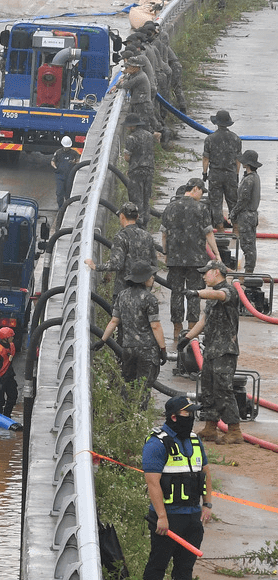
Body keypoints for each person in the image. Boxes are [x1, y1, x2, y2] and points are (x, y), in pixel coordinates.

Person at [141, 395, 213, 580]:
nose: (191, 418)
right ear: (174, 417)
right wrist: (162, 517)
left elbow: (204, 474)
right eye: (187, 413)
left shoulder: (195, 441)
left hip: (192, 516)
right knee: (157, 566)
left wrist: (207, 504)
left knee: (185, 569)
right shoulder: (156, 443)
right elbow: (153, 483)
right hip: (169, 517)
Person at [184, 261, 244, 443]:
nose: (203, 276)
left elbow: (219, 295)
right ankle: (210, 427)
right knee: (208, 388)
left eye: (206, 273)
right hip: (211, 350)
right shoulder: (211, 298)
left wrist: (197, 293)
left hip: (225, 351)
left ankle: (234, 430)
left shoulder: (228, 291)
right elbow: (204, 320)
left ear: (216, 272)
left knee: (223, 389)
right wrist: (187, 338)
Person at [163, 180, 219, 377]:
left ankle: (177, 330)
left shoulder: (170, 207)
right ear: (195, 189)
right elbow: (209, 234)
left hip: (175, 260)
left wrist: (166, 252)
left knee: (176, 294)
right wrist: (217, 255)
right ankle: (191, 330)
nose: (202, 195)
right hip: (196, 259)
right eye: (201, 191)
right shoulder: (201, 208)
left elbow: (164, 234)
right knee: (194, 294)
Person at [101, 261, 166, 405]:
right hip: (147, 350)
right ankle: (138, 418)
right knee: (143, 388)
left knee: (128, 385)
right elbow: (155, 326)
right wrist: (163, 349)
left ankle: (126, 414)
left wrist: (102, 340)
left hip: (128, 349)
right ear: (144, 279)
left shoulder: (122, 295)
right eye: (151, 276)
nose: (153, 278)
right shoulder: (150, 299)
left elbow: (114, 321)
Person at [85, 203, 157, 283]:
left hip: (124, 286)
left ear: (122, 216)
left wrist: (96, 266)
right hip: (144, 285)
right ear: (137, 217)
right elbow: (153, 263)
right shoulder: (147, 236)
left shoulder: (121, 237)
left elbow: (116, 264)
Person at [202, 110, 241, 228]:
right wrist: (237, 174)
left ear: (216, 123)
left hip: (215, 175)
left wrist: (204, 173)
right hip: (231, 175)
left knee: (216, 204)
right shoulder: (236, 139)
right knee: (233, 203)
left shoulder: (210, 139)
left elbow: (205, 159)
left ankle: (220, 230)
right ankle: (236, 230)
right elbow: (238, 160)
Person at [233, 150, 261, 273]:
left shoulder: (249, 179)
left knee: (247, 245)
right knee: (249, 245)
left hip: (246, 216)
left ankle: (248, 272)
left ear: (247, 164)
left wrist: (233, 212)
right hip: (251, 216)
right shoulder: (253, 177)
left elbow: (243, 199)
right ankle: (249, 271)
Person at [125, 117, 156, 219]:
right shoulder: (149, 136)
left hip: (136, 171)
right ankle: (146, 219)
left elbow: (127, 157)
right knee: (146, 197)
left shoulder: (131, 138)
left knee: (136, 198)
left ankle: (138, 220)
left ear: (133, 126)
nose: (128, 127)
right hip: (149, 170)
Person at [0, 326, 17, 417]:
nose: (13, 338)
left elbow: (10, 359)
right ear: (5, 338)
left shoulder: (11, 346)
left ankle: (7, 415)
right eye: (11, 336)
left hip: (9, 376)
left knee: (13, 397)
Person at [51, 136, 81, 209]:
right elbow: (52, 161)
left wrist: (75, 162)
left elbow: (78, 160)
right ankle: (60, 208)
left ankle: (68, 207)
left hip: (70, 176)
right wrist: (55, 166)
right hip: (60, 176)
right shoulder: (58, 152)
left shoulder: (74, 153)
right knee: (59, 192)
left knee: (68, 193)